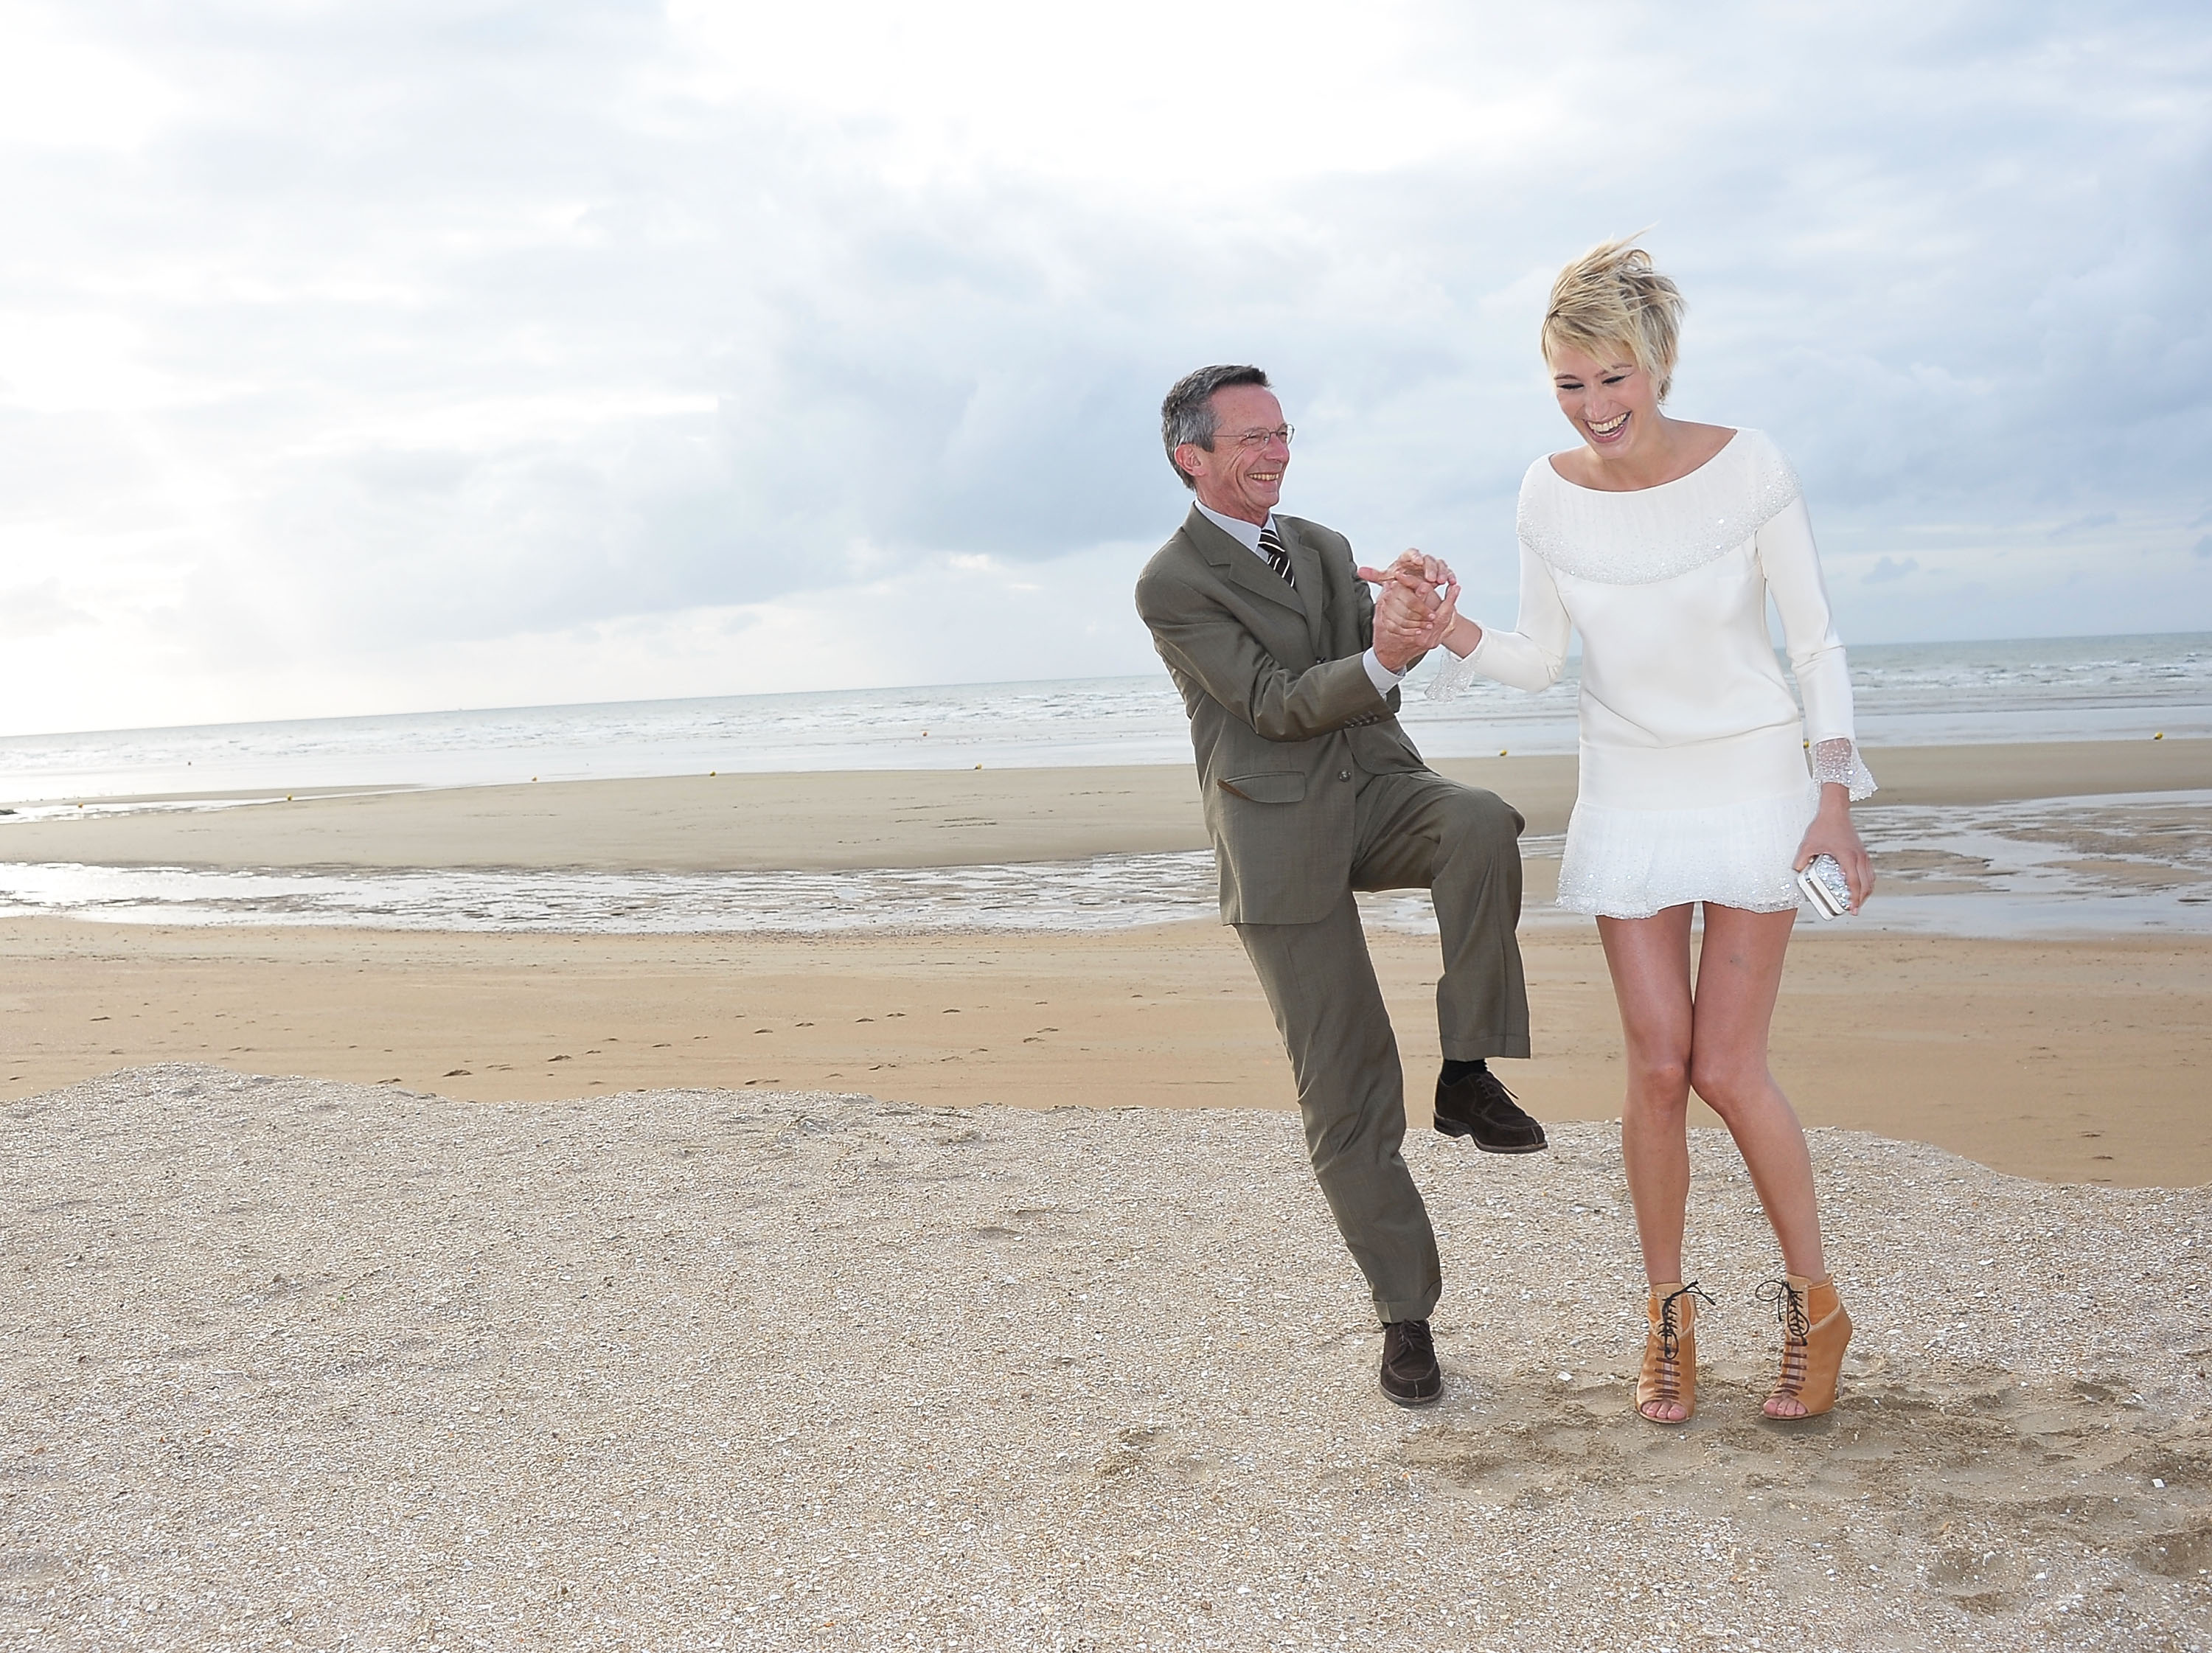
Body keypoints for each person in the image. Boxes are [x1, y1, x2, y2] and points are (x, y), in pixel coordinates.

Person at [1368, 240, 1875, 1423]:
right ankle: (1666, 1316)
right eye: (1569, 383)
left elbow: (1816, 643)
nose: (1594, 405)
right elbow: (1541, 658)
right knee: (1655, 1067)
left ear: (1657, 362)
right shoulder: (1544, 493)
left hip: (1754, 782)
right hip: (1631, 790)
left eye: (1613, 377)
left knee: (1726, 1066)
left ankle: (1817, 1307)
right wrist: (1445, 628)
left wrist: (1834, 796)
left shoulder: (1751, 466)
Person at [1134, 364, 1547, 1408]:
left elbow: (1374, 666)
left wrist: (1404, 606)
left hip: (1376, 790)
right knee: (1348, 1085)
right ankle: (1406, 1317)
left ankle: (1466, 1072)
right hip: (1277, 835)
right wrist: (1384, 656)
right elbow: (1273, 703)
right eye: (1251, 439)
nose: (1276, 453)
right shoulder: (1171, 583)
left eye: (1282, 433)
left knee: (1481, 821)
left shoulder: (1319, 545)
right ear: (1192, 457)